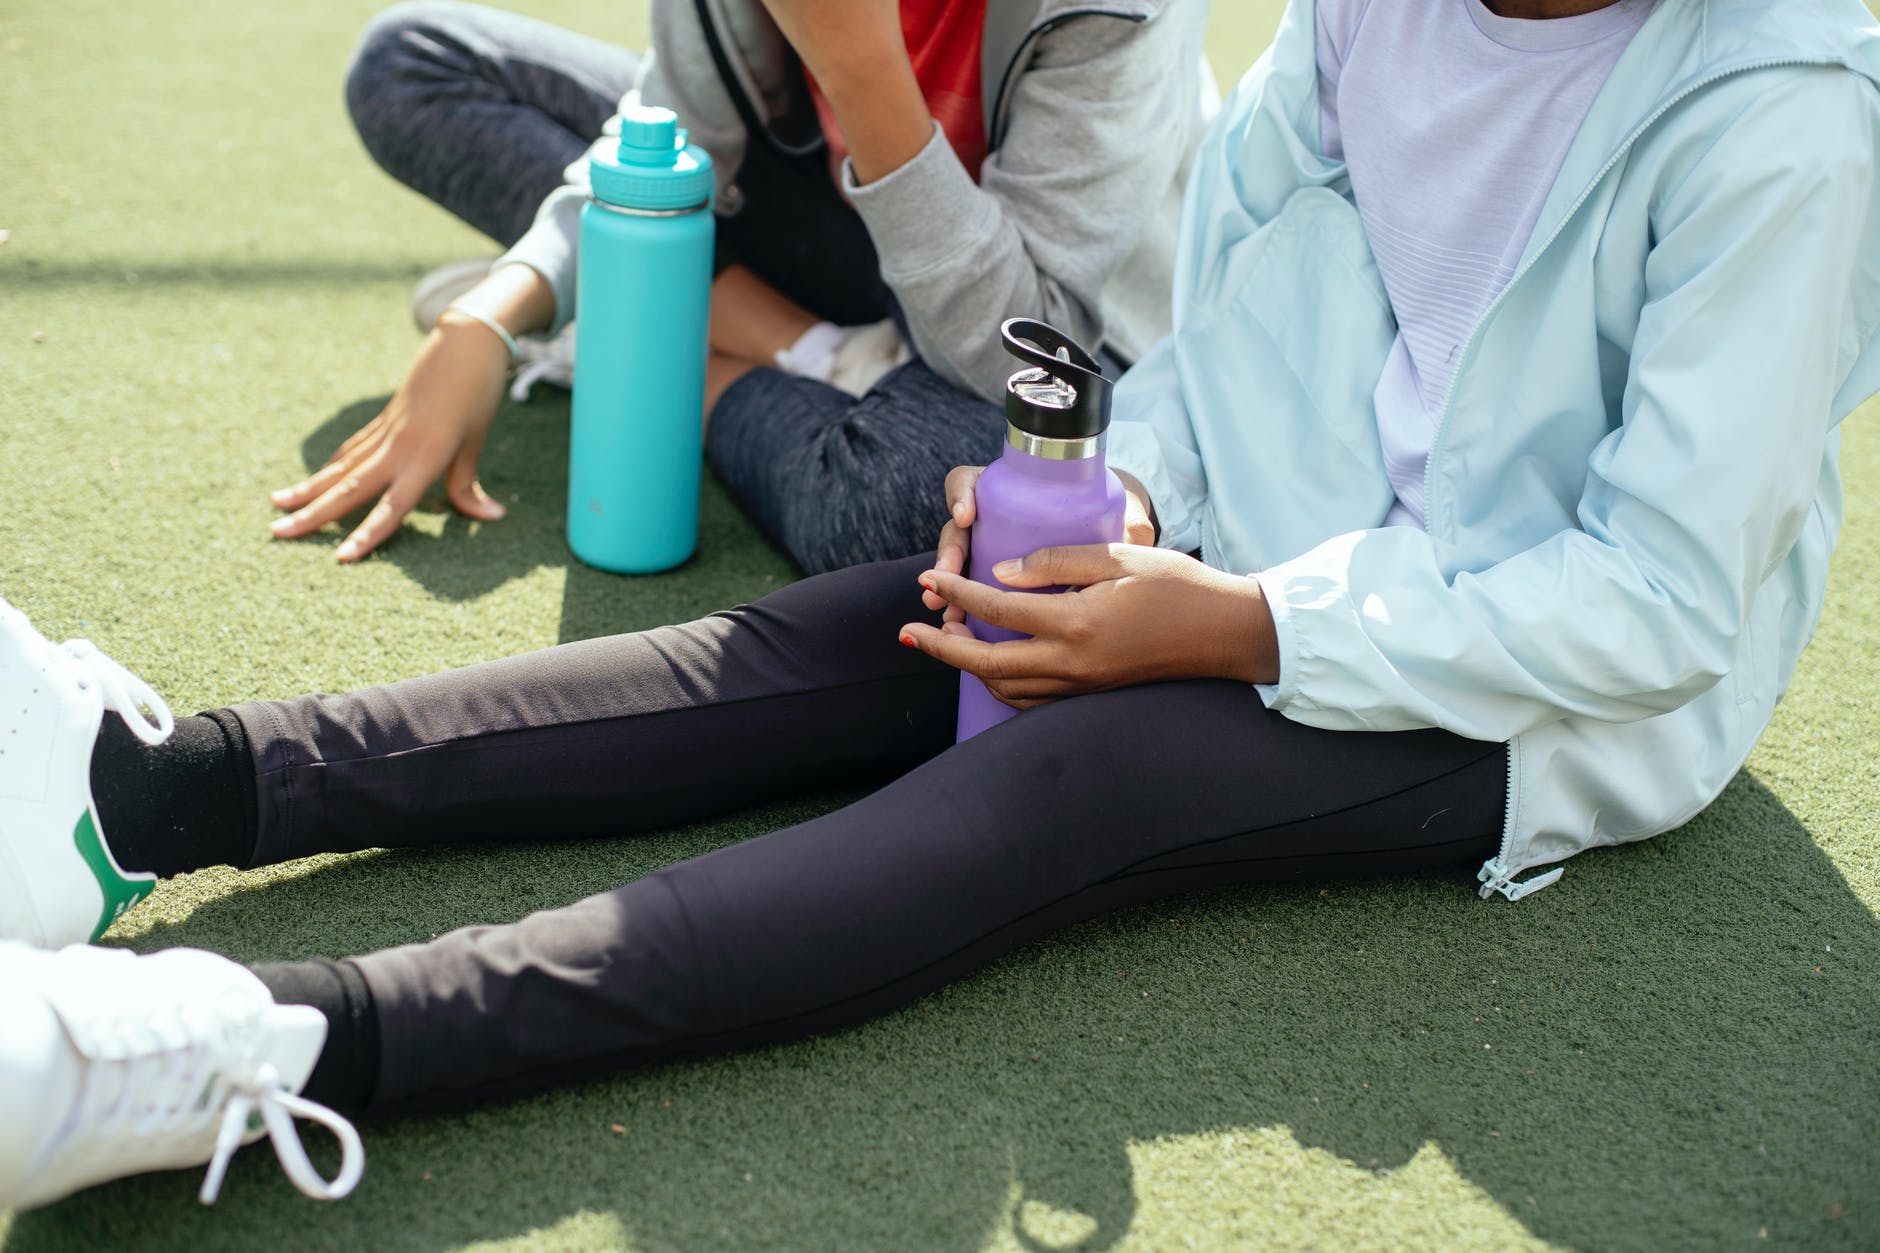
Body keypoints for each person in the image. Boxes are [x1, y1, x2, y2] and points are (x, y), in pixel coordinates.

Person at [5, 0, 1879, 1213]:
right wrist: (1117, 497)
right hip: (1243, 545)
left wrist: (1237, 628)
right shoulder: (1365, 13)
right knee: (880, 621)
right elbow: (1225, 348)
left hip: (1530, 687)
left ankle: (269, 1035)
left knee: (1062, 786)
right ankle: (157, 785)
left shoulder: (1783, 119)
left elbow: (1657, 600)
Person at [265, 0, 1212, 573]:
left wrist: (862, 70)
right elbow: (664, 140)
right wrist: (495, 311)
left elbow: (1027, 350)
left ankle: (627, 335)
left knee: (931, 501)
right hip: (822, 226)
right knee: (413, 63)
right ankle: (802, 347)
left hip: (1030, 317)